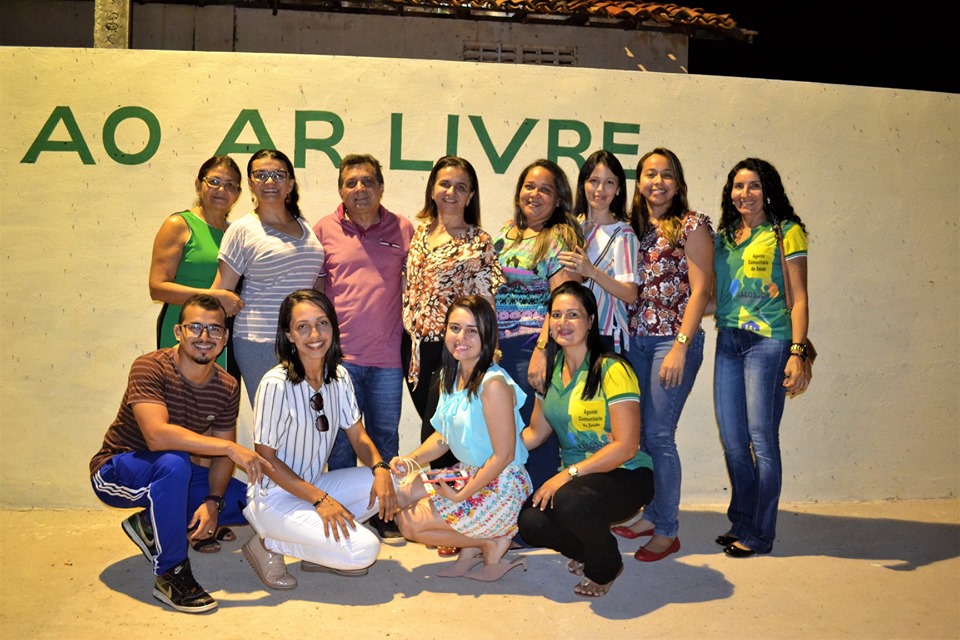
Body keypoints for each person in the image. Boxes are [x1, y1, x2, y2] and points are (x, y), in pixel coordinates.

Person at [89, 294, 272, 614]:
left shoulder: (227, 385)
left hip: (174, 474)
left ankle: (149, 525)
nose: (205, 337)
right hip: (116, 469)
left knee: (250, 501)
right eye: (195, 327)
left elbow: (220, 459)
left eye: (215, 329)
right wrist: (230, 447)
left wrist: (213, 503)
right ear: (178, 332)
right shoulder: (150, 366)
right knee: (174, 463)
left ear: (225, 338)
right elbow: (157, 436)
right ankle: (170, 573)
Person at [241, 290, 398, 589]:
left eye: (322, 323)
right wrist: (321, 500)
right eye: (302, 326)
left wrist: (380, 468)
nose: (314, 334)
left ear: (333, 327)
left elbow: (359, 436)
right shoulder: (276, 384)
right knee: (365, 550)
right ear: (288, 335)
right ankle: (267, 544)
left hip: (313, 485)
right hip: (274, 498)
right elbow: (266, 460)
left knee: (392, 483)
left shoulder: (338, 376)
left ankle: (320, 552)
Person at [517, 282, 653, 598]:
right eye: (557, 315)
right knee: (530, 522)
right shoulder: (550, 374)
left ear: (590, 321)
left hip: (627, 474)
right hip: (580, 482)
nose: (563, 323)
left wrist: (566, 475)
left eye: (574, 315)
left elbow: (626, 446)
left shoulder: (612, 368)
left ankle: (605, 567)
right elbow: (535, 434)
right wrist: (492, 451)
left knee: (568, 499)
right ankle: (590, 550)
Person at [612, 148, 714, 562]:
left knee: (659, 435)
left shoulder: (692, 225)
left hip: (670, 342)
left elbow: (702, 290)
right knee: (643, 438)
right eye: (650, 174)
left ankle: (668, 529)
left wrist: (680, 346)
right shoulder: (632, 228)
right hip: (633, 341)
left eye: (666, 174)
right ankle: (652, 514)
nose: (658, 182)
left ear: (678, 182)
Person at [391, 296, 532, 581]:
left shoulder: (492, 384)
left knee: (408, 523)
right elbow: (443, 437)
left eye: (472, 330)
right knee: (398, 491)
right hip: (467, 473)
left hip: (501, 485)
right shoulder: (450, 375)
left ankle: (489, 541)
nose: (461, 337)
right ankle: (478, 544)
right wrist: (411, 460)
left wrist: (462, 495)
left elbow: (503, 456)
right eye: (455, 328)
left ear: (487, 336)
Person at [712, 157, 811, 558]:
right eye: (738, 186)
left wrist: (797, 352)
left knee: (762, 441)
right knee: (734, 441)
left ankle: (761, 533)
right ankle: (741, 520)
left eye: (754, 186)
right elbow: (715, 294)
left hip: (768, 343)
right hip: (728, 340)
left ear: (768, 189)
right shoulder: (726, 237)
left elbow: (800, 297)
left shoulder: (787, 232)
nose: (745, 194)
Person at [313, 154, 413, 540]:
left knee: (384, 437)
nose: (359, 189)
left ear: (381, 187)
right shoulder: (324, 229)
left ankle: (385, 515)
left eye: (367, 181)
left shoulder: (403, 229)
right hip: (340, 361)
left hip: (388, 359)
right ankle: (349, 514)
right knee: (339, 443)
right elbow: (318, 292)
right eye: (351, 182)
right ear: (341, 188)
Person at [401, 156, 504, 469]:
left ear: (470, 196)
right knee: (434, 426)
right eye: (445, 183)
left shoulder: (479, 241)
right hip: (413, 349)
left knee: (440, 429)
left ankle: (446, 504)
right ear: (433, 188)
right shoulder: (419, 235)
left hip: (453, 349)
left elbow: (486, 300)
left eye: (461, 187)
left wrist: (491, 346)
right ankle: (441, 502)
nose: (451, 192)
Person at [494, 159, 582, 490]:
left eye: (545, 189)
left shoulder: (558, 236)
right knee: (507, 434)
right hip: (499, 349)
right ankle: (505, 512)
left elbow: (564, 304)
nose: (535, 194)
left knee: (538, 436)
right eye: (529, 186)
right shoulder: (504, 233)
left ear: (558, 199)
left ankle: (535, 516)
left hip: (533, 346)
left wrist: (543, 351)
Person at [213, 148, 325, 403]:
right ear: (251, 183)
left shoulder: (304, 224)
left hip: (303, 340)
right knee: (273, 421)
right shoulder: (242, 230)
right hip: (259, 340)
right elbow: (221, 292)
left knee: (304, 419)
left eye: (278, 175)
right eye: (261, 175)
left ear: (291, 183)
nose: (270, 181)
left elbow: (313, 281)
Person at [149, 155, 245, 374]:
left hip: (222, 333)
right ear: (198, 185)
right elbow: (157, 288)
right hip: (183, 327)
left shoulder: (236, 233)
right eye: (214, 181)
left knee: (217, 401)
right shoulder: (179, 224)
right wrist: (214, 297)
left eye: (230, 185)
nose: (221, 189)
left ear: (238, 194)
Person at [558, 150, 639, 353]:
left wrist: (591, 271)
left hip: (605, 334)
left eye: (609, 183)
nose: (599, 189)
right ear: (583, 184)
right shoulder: (569, 228)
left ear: (619, 189)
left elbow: (630, 294)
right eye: (593, 180)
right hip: (568, 332)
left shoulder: (623, 234)